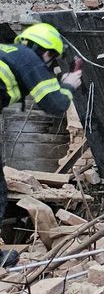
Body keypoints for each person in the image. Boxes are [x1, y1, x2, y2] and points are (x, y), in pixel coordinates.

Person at [0, 23, 81, 268]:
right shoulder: (30, 60)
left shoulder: (7, 52)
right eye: (51, 57)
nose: (49, 63)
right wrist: (69, 84)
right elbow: (55, 104)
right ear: (44, 50)